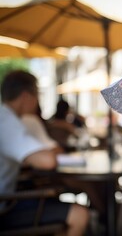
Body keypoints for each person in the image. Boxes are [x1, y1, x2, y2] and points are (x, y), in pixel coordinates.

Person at [0, 70, 89, 235]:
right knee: (80, 214)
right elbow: (47, 161)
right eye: (37, 94)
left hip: (11, 197)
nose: (38, 100)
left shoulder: (7, 117)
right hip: (4, 208)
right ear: (26, 96)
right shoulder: (6, 121)